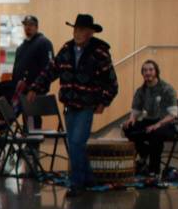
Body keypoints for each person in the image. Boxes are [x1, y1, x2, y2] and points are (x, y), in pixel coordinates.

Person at [28, 14, 118, 196]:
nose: (77, 33)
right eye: (76, 29)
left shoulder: (99, 52)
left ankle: (76, 184)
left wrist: (103, 102)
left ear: (90, 33)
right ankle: (89, 178)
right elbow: (51, 70)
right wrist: (35, 87)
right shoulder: (67, 49)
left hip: (86, 107)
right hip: (69, 105)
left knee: (76, 143)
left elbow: (112, 82)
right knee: (76, 143)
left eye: (82, 30)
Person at [122, 60, 178, 177]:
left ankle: (154, 170)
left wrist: (157, 125)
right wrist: (132, 118)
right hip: (149, 120)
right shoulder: (141, 91)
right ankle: (145, 152)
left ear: (156, 72)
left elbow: (173, 114)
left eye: (151, 70)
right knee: (128, 128)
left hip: (166, 123)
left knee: (155, 133)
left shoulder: (167, 89)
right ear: (142, 73)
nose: (148, 72)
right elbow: (136, 110)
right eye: (145, 70)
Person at [13, 15, 55, 129]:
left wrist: (36, 88)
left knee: (32, 120)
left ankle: (33, 146)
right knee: (26, 119)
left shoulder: (44, 43)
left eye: (31, 24)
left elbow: (50, 68)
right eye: (25, 24)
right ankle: (29, 145)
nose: (28, 27)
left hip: (35, 91)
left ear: (37, 27)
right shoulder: (22, 47)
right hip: (21, 90)